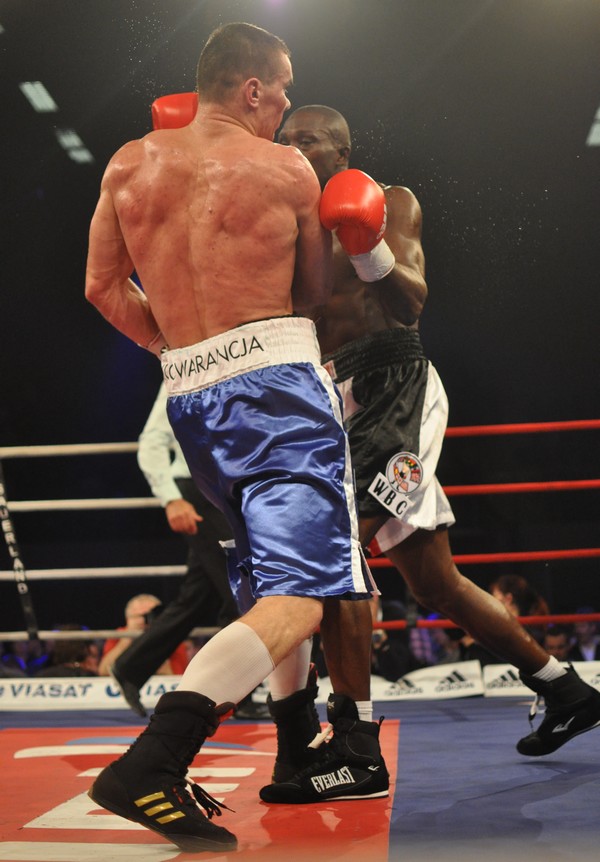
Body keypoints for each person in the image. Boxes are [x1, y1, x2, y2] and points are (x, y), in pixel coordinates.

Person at [84, 24, 384, 854]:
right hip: (277, 392)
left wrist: (179, 346)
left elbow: (101, 286)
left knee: (265, 581)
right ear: (251, 88)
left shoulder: (127, 164)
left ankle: (292, 752)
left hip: (191, 399)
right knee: (305, 593)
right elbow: (312, 295)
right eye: (282, 88)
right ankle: (153, 760)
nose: (286, 104)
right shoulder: (285, 169)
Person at [256, 104, 600, 801]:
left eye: (308, 139)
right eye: (285, 139)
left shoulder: (390, 201)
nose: (293, 148)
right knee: (435, 583)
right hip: (328, 396)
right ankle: (565, 690)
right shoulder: (286, 228)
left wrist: (364, 240)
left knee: (333, 551)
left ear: (343, 151)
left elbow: (410, 302)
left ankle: (355, 744)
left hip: (395, 386)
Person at [108, 382, 249, 718]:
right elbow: (152, 440)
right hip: (198, 491)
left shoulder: (241, 366)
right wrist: (171, 498)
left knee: (199, 597)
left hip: (228, 491)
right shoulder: (182, 369)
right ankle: (234, 696)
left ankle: (130, 667)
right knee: (238, 592)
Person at [98, 593, 189, 679]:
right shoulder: (119, 635)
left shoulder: (171, 637)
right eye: (139, 616)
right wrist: (127, 639)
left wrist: (158, 643)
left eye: (151, 616)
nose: (145, 621)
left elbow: (177, 679)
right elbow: (104, 671)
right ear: (128, 619)